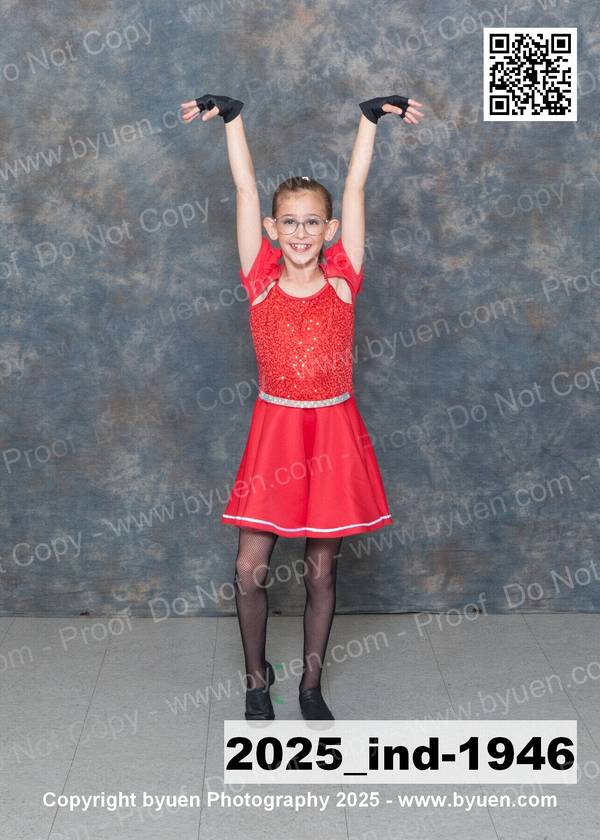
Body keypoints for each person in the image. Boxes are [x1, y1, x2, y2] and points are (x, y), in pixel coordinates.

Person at [181, 93, 425, 721]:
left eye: (313, 222)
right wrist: (233, 119)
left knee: (321, 571)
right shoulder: (260, 278)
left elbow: (356, 187)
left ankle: (311, 685)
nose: (300, 233)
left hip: (333, 432)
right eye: (288, 222)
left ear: (330, 230)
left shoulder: (343, 278)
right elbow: (244, 188)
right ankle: (256, 678)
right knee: (249, 568)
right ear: (272, 229)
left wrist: (369, 121)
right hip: (277, 431)